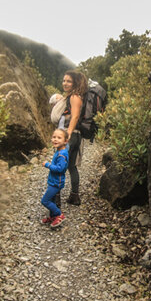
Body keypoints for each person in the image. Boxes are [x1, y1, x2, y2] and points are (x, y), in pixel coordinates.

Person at [61, 70, 87, 205]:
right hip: (75, 135)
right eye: (64, 80)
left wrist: (68, 133)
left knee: (59, 166)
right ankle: (74, 196)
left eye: (68, 81)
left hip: (71, 135)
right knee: (71, 166)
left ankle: (55, 200)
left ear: (74, 83)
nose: (65, 83)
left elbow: (75, 116)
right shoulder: (73, 96)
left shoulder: (75, 97)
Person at [40, 128, 69, 228]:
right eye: (54, 137)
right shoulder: (59, 151)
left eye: (59, 138)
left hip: (56, 183)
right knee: (51, 200)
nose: (55, 139)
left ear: (65, 141)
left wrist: (48, 165)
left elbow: (60, 169)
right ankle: (53, 216)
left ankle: (59, 214)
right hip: (53, 181)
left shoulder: (62, 154)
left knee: (45, 201)